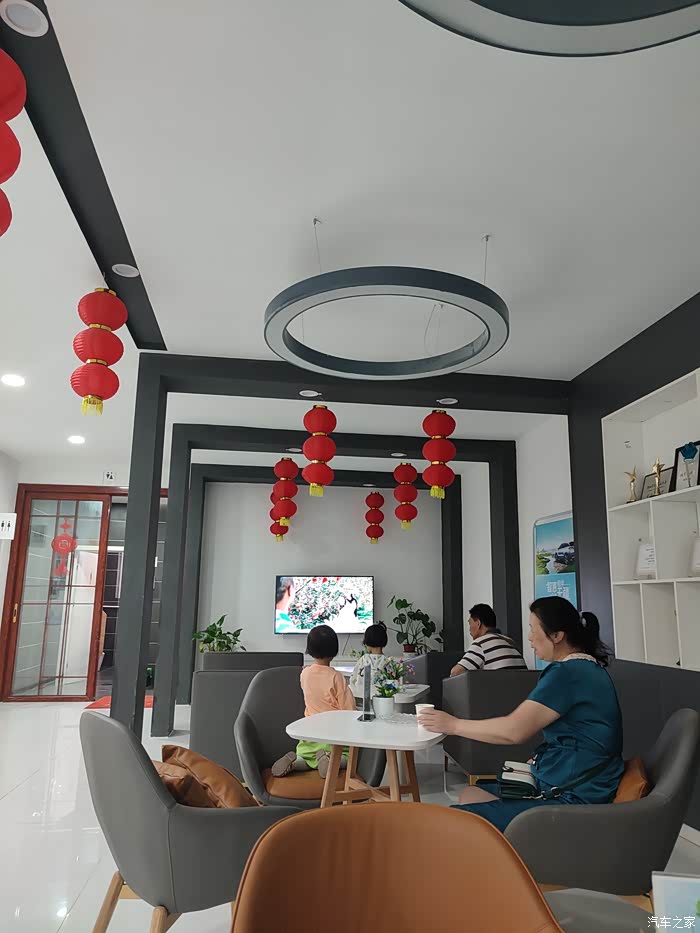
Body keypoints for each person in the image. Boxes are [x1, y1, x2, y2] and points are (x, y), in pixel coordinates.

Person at [420, 596, 624, 832]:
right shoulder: (589, 668)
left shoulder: (566, 673)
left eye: (533, 629)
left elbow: (514, 731)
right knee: (471, 793)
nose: (529, 637)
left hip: (571, 795)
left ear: (557, 636)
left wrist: (453, 725)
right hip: (581, 781)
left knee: (450, 822)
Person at [272, 624, 356, 778]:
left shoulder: (305, 674)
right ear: (334, 651)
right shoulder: (336, 677)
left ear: (309, 649)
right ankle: (329, 760)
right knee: (348, 757)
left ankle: (295, 762)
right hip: (332, 735)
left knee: (306, 758)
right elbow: (348, 708)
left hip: (309, 732)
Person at [450, 603, 527, 676]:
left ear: (478, 623)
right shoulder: (511, 642)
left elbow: (455, 673)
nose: (469, 629)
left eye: (470, 623)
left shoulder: (480, 643)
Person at [349, 622, 390, 698]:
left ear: (366, 641)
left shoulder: (363, 660)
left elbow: (353, 680)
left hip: (362, 698)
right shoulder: (389, 662)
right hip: (384, 700)